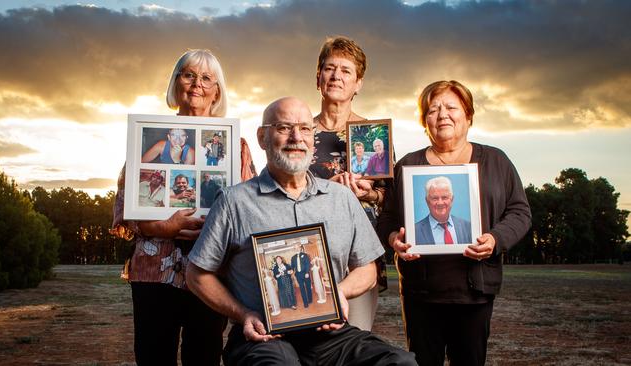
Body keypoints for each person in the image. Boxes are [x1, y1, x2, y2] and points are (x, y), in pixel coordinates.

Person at [185, 97, 415, 366]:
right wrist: (244, 313)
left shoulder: (342, 198)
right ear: (262, 137)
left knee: (400, 362)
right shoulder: (234, 202)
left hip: (331, 336)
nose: (296, 137)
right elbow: (197, 274)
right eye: (283, 127)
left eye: (305, 129)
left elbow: (367, 269)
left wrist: (339, 293)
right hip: (264, 336)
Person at [111, 49, 256, 366]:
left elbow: (249, 209)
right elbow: (124, 208)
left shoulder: (235, 145)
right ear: (176, 84)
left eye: (206, 78)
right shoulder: (146, 136)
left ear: (217, 90)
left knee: (203, 356)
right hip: (153, 270)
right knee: (152, 356)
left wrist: (217, 228)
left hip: (211, 271)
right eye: (189, 75)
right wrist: (162, 227)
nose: (197, 84)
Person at [377, 80, 532, 366]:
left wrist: (496, 239)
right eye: (433, 109)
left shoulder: (497, 161)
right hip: (421, 294)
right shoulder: (407, 167)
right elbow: (387, 218)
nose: (442, 115)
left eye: (451, 107)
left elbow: (520, 212)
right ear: (425, 121)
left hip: (475, 293)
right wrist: (392, 240)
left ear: (468, 115)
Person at [309, 35, 385, 331]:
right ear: (318, 77)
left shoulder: (374, 135)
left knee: (355, 341)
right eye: (330, 68)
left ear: (358, 83)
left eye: (346, 70)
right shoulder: (300, 132)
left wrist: (371, 195)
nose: (336, 76)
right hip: (310, 251)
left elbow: (389, 199)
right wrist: (330, 186)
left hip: (359, 258)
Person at [415, 176, 471, 245]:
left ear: (452, 199)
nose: (440, 203)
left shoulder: (467, 227)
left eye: (444, 197)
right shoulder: (414, 232)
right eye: (435, 198)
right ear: (427, 201)